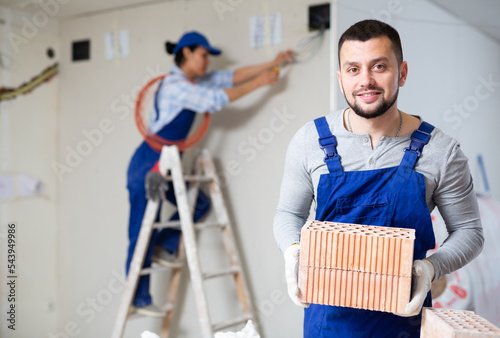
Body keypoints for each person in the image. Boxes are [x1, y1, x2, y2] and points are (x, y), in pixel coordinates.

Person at [273, 20, 484, 337]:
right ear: (341, 78)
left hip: (403, 323)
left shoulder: (441, 151)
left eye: (379, 66)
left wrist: (430, 268)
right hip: (328, 323)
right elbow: (288, 213)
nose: (366, 81)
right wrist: (293, 250)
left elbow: (469, 231)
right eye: (353, 69)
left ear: (402, 73)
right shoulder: (310, 142)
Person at [127, 30, 294, 316]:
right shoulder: (176, 85)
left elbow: (230, 77)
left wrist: (271, 63)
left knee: (199, 203)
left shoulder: (195, 80)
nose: (207, 62)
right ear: (187, 53)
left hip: (169, 161)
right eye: (203, 55)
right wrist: (261, 83)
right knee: (141, 228)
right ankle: (138, 298)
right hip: (150, 163)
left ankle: (164, 243)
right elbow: (214, 100)